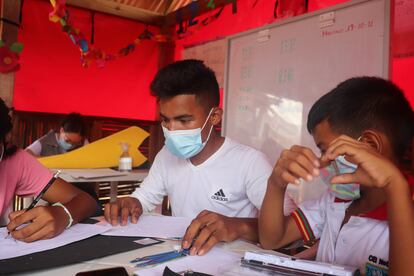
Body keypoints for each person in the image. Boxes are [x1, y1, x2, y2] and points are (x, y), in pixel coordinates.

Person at [104, 59, 273, 256]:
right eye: (165, 120)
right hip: (183, 258)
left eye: (184, 120)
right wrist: (131, 203)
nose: (172, 130)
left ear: (214, 117)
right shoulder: (167, 156)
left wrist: (236, 226)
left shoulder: (250, 163)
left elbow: (286, 227)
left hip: (231, 265)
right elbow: (144, 198)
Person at [259, 76, 414, 275]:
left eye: (325, 150)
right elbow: (272, 239)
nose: (322, 161)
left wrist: (394, 185)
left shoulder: (406, 209)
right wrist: (275, 185)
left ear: (370, 145)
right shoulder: (337, 200)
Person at [0, 99, 97, 242]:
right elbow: (31, 152)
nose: (70, 145)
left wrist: (63, 214)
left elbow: (87, 202)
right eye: (68, 140)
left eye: (74, 143)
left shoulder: (14, 160)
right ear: (62, 131)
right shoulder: (46, 141)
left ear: (5, 139)